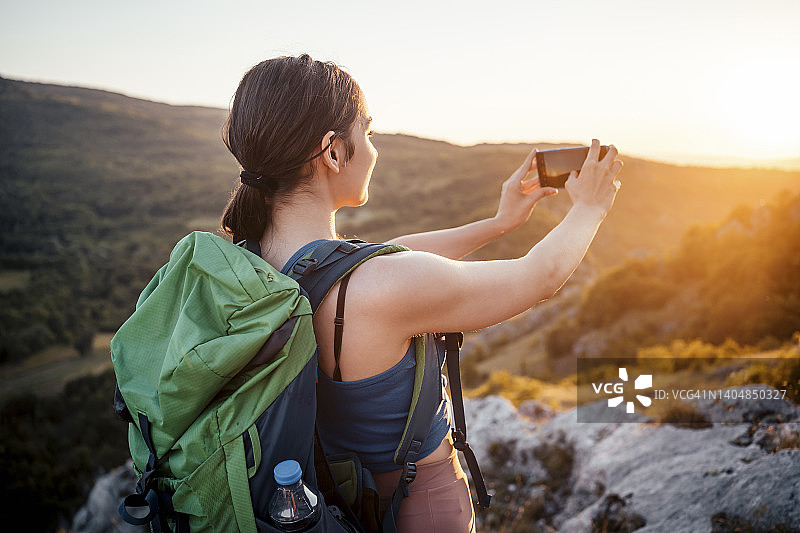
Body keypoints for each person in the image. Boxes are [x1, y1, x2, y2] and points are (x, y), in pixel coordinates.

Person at [220, 54, 622, 533]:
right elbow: (539, 276)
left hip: (338, 494)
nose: (373, 149)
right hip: (418, 506)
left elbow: (391, 254)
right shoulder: (378, 288)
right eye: (366, 132)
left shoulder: (256, 262)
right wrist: (591, 207)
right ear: (332, 153)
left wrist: (499, 223)